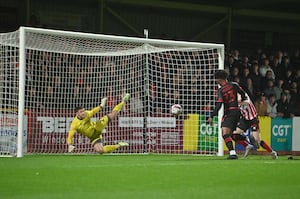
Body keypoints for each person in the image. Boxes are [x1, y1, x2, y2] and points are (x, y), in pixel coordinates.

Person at [207, 70, 247, 159]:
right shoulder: (234, 85)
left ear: (220, 79)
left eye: (216, 79)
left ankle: (233, 153)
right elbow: (243, 94)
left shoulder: (221, 90)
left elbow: (219, 104)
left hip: (229, 112)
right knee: (231, 134)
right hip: (237, 111)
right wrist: (239, 100)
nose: (216, 81)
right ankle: (246, 142)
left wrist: (211, 115)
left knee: (225, 134)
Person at [233, 93, 278, 159]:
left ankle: (272, 152)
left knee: (257, 141)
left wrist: (237, 103)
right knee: (233, 134)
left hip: (253, 119)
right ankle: (247, 144)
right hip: (245, 119)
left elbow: (247, 103)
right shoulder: (234, 99)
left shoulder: (245, 96)